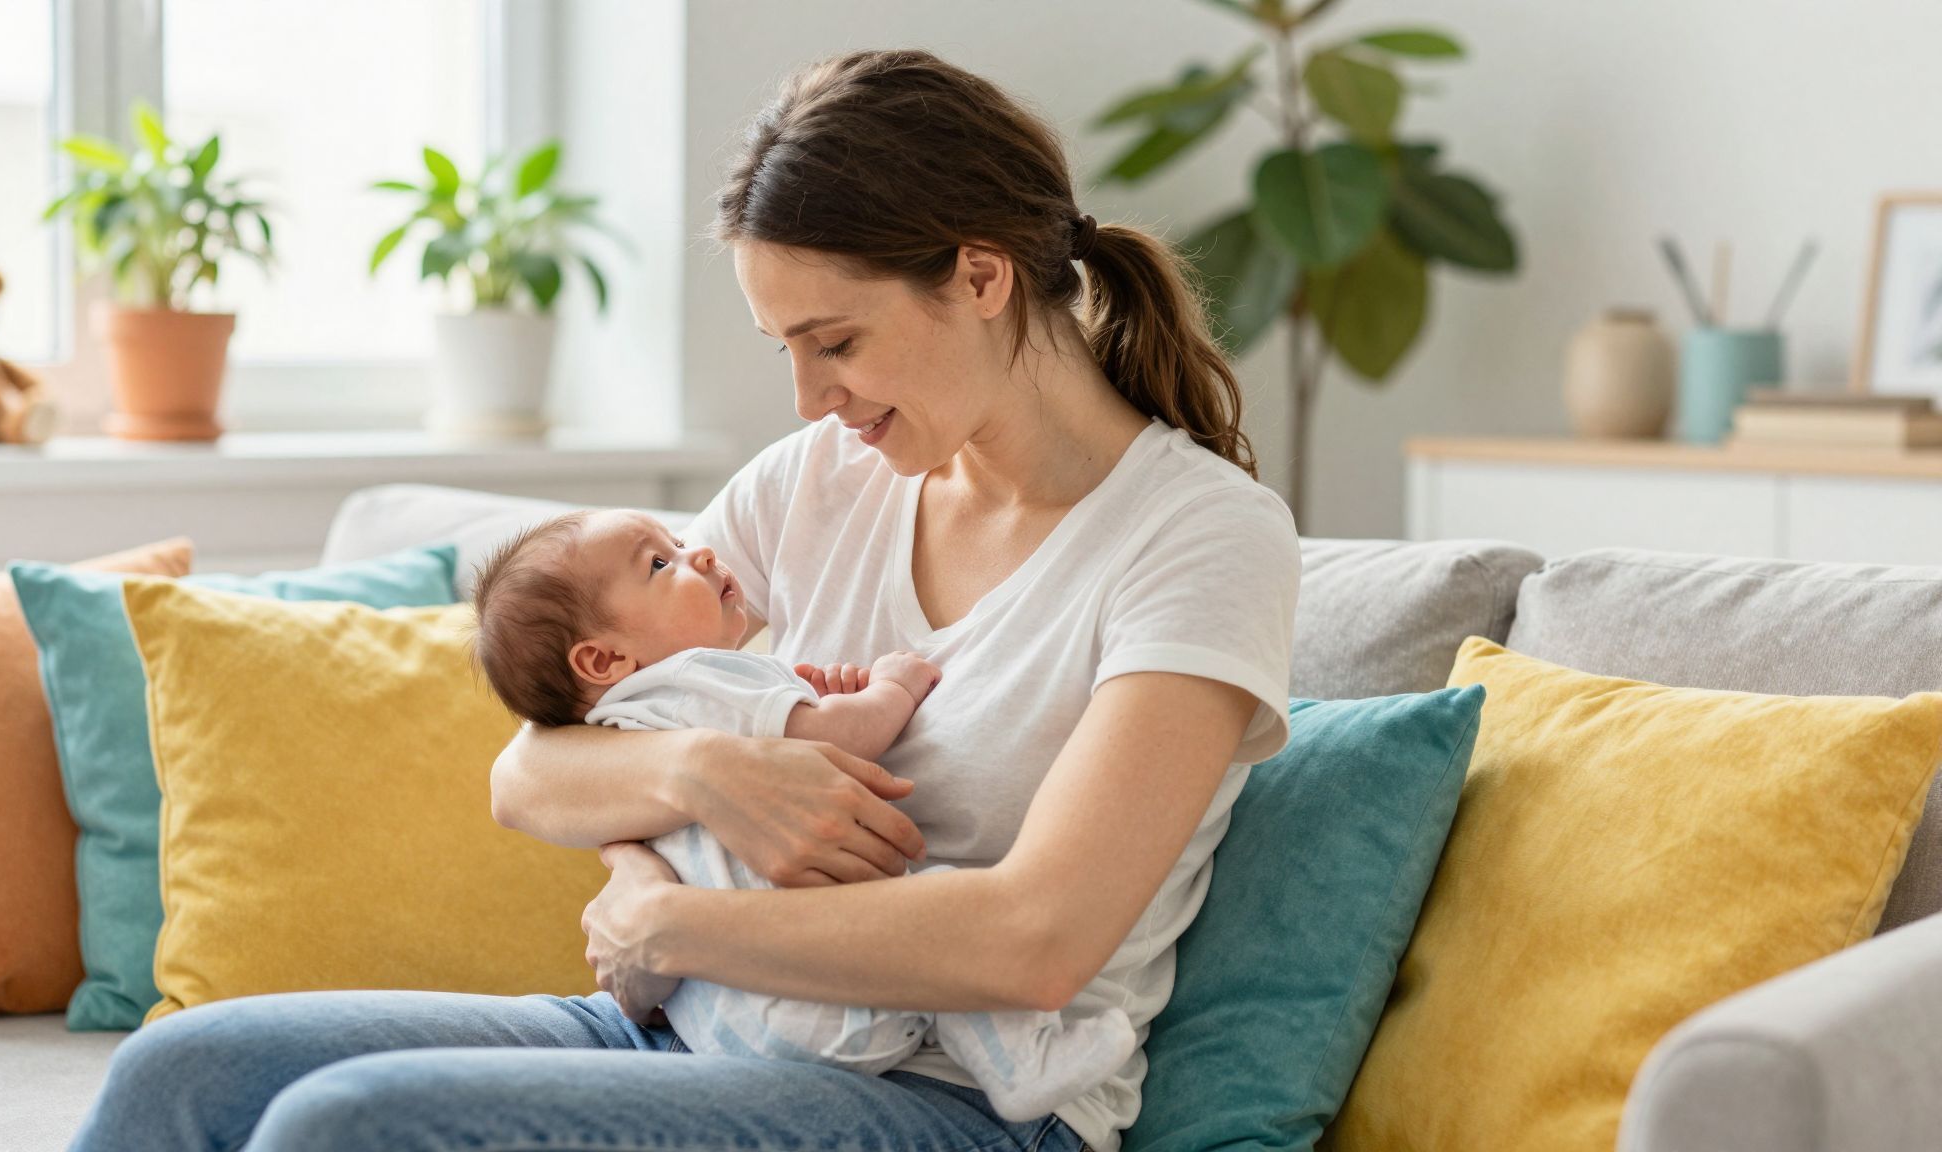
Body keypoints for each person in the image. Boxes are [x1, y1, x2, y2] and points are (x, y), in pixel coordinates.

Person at [66, 47, 1298, 1152]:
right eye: (788, 352)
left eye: (837, 342)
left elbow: (1036, 942)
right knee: (192, 1069)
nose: (812, 399)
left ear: (978, 276)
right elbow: (532, 770)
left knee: (357, 1125)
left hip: (956, 1102)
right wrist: (705, 775)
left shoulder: (1199, 538)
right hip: (703, 1038)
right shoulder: (824, 478)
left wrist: (671, 930)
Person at [465, 506, 1136, 1122]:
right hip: (830, 1005)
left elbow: (589, 802)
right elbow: (843, 737)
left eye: (678, 542)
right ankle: (1023, 1061)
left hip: (716, 1023)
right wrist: (892, 686)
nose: (697, 553)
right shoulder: (704, 676)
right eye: (660, 563)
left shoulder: (616, 725)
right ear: (604, 657)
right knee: (935, 904)